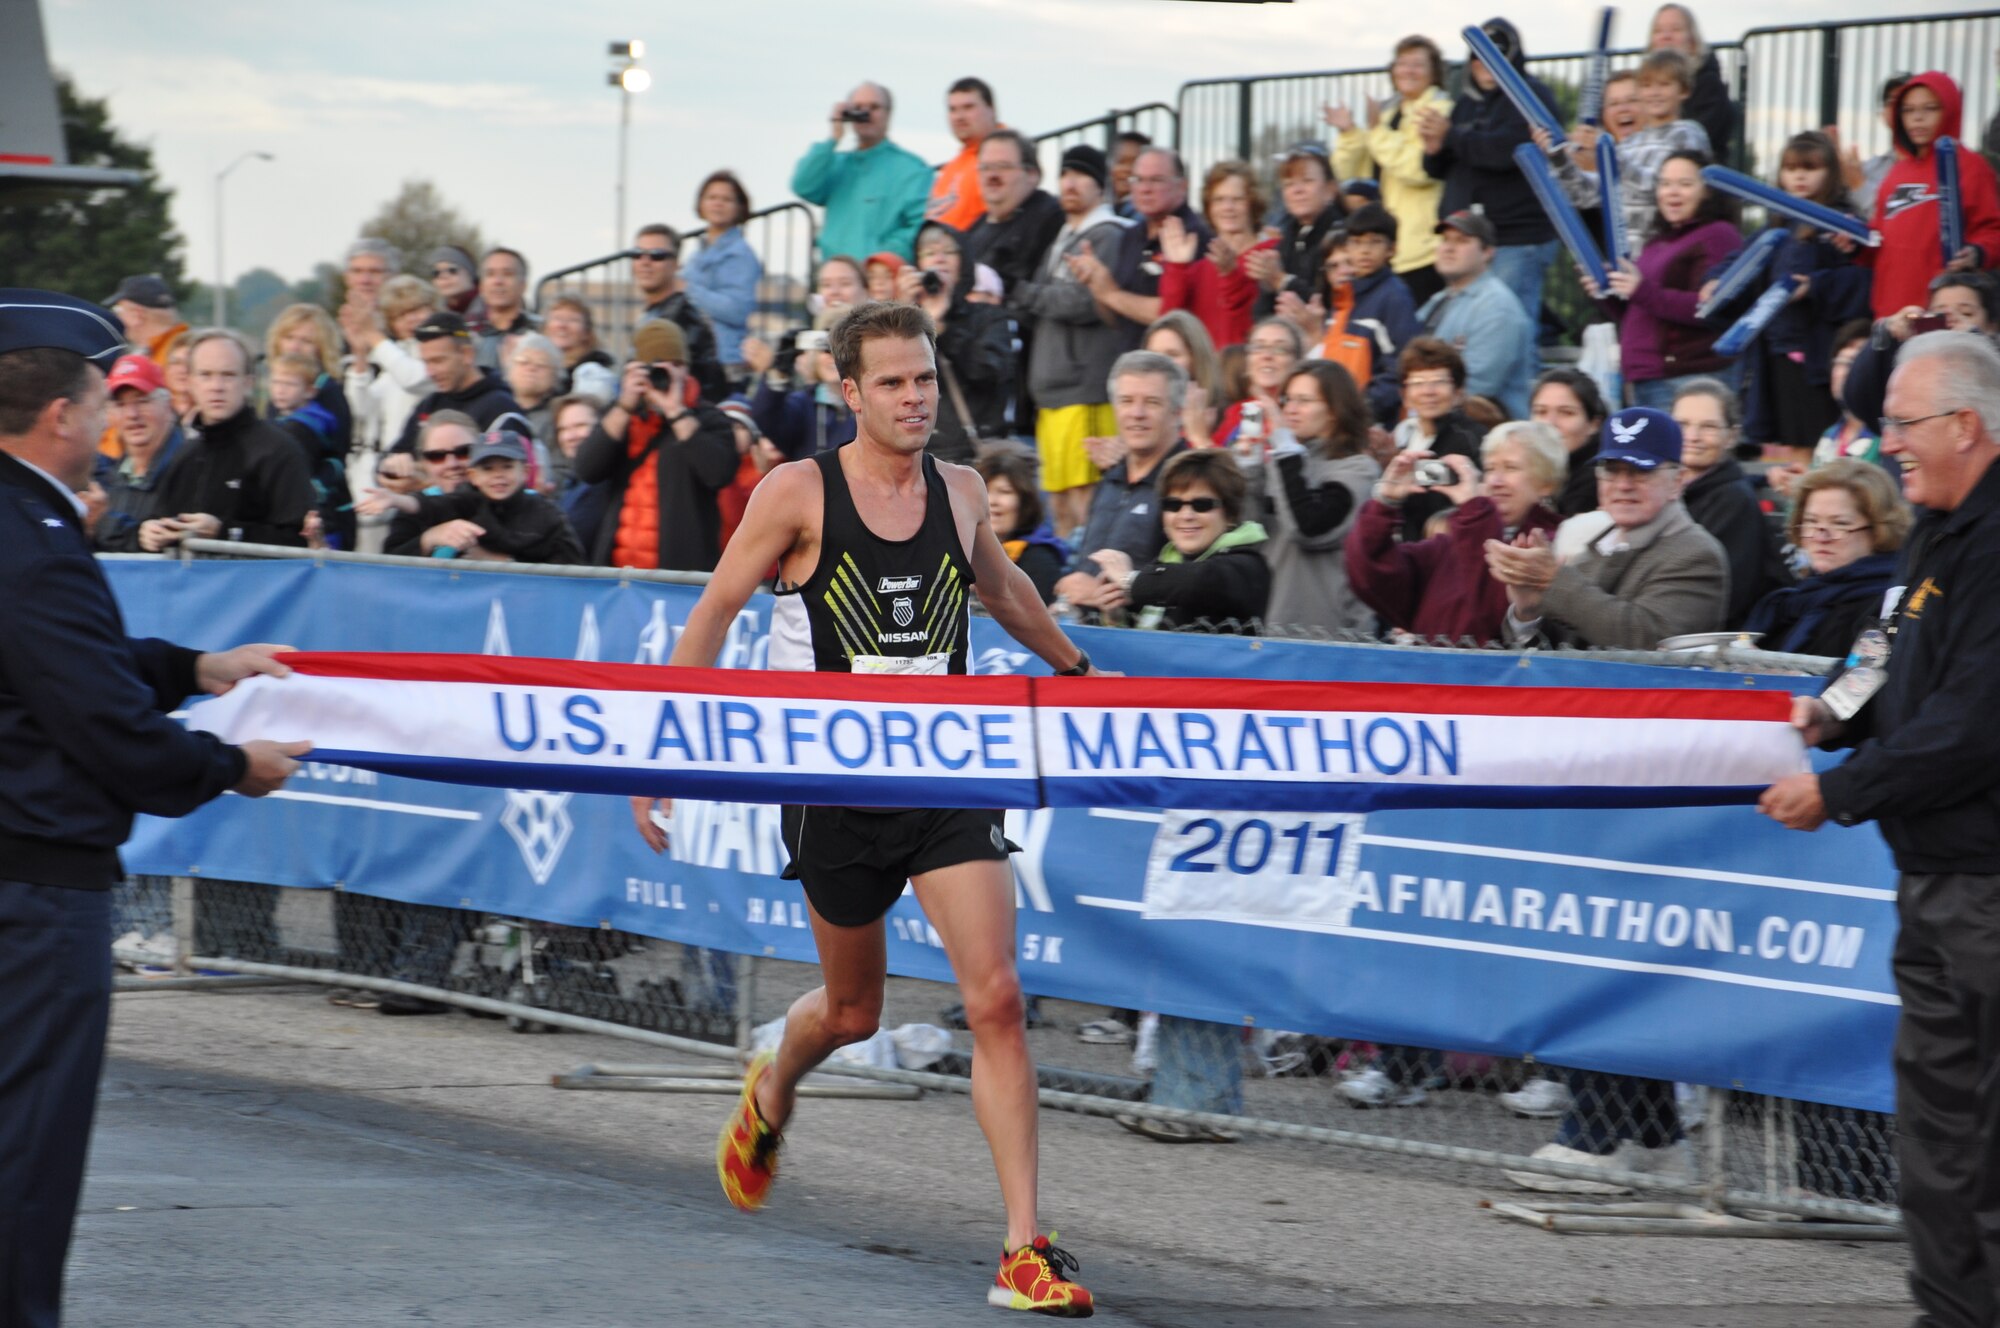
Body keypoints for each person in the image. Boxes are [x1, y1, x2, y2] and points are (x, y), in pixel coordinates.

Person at [629, 299, 1101, 1316]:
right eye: (891, 382)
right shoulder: (796, 492)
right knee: (851, 1011)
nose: (914, 396)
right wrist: (659, 750)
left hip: (942, 779)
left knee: (996, 996)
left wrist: (1075, 667)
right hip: (832, 787)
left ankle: (1024, 1245)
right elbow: (712, 611)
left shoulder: (964, 489)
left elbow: (1006, 589)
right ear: (848, 393)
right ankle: (773, 1084)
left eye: (923, 377)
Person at [0, 289, 307, 1327]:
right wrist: (231, 765)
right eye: (101, 396)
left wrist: (193, 665)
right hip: (34, 890)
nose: (111, 418)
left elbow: (67, 667)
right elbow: (102, 724)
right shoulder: (32, 535)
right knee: (26, 1155)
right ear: (64, 414)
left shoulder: (21, 519)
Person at [1757, 331, 2000, 1328]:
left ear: (1965, 425)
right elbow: (1884, 646)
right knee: (1938, 1127)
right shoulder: (1935, 532)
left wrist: (1841, 788)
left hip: (1984, 882)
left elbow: (1971, 722)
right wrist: (1825, 710)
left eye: (1899, 423)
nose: (1881, 441)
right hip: (1931, 880)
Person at [1489, 406, 1729, 648]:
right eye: (1611, 470)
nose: (1623, 485)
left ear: (1677, 482)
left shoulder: (1696, 554)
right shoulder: (1596, 544)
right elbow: (1557, 652)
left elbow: (1649, 642)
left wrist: (1553, 580)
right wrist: (1528, 610)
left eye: (1640, 471)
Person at [1705, 132, 1872, 452]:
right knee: (1781, 447)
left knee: (1821, 444)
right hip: (1776, 358)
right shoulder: (1777, 225)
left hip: (1819, 361)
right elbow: (1739, 260)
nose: (1799, 175)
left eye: (1810, 167)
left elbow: (1862, 278)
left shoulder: (1842, 223)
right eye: (1791, 167)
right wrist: (1714, 281)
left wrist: (1814, 286)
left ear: (1831, 174)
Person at [1007, 144, 1132, 538]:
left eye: (1081, 175)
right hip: (1053, 400)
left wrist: (1020, 292)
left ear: (1101, 187)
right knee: (1059, 508)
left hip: (1087, 395)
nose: (1070, 183)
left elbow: (1085, 301)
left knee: (1087, 505)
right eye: (1065, 174)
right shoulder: (1064, 236)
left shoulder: (1110, 235)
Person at [1349, 420, 1567, 643]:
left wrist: (1474, 511)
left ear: (1546, 484)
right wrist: (1384, 503)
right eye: (1490, 468)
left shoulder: (1555, 545)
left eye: (1511, 468)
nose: (1495, 481)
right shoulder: (1452, 542)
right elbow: (1370, 577)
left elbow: (1492, 615)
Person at [1419, 19, 1560, 330]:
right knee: (1471, 331)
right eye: (1478, 56)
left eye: (1495, 56)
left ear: (1512, 59)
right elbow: (1440, 169)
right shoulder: (1466, 104)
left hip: (1516, 239)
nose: (1484, 65)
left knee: (1510, 330)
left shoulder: (1532, 96)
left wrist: (1451, 136)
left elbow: (1507, 151)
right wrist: (1432, 149)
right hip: (1474, 244)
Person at [573, 318, 739, 571]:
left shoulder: (709, 419)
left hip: (678, 579)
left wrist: (675, 410)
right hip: (620, 578)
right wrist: (624, 405)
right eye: (655, 365)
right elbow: (587, 469)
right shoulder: (621, 416)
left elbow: (718, 473)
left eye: (675, 364)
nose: (667, 372)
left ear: (687, 368)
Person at [1580, 151, 1743, 408]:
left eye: (1685, 184)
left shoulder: (1717, 234)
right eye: (1665, 184)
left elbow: (1711, 307)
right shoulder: (1659, 241)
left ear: (1709, 191)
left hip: (1686, 378)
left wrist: (1642, 290)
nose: (1672, 192)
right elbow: (1641, 311)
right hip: (1646, 378)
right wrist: (1607, 292)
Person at [137, 329, 316, 552]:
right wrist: (148, 533)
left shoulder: (279, 451)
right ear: (190, 383)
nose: (216, 386)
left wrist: (224, 532)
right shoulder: (185, 455)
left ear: (248, 383)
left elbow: (299, 543)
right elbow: (162, 520)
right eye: (206, 375)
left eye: (228, 375)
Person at [1239, 361, 1379, 635]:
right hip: (1268, 626)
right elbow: (1246, 533)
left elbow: (1308, 527)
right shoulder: (1281, 462)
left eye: (1303, 401)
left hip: (1331, 633)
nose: (1289, 409)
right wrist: (1249, 470)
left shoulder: (1357, 469)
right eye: (1287, 399)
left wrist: (1284, 449)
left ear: (1335, 411)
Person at [1053, 351, 1193, 620]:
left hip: (1150, 644)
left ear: (1177, 411)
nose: (1137, 414)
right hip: (1084, 637)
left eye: (1151, 402)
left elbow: (1191, 582)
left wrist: (1104, 593)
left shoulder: (1191, 484)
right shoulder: (1110, 480)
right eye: (1127, 401)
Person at [1538, 49, 1712, 249]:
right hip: (1628, 260)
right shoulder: (1630, 144)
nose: (1654, 93)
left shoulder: (1687, 133)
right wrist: (1559, 157)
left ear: (1684, 91)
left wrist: (1608, 153)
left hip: (1667, 254)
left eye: (1664, 85)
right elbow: (1586, 196)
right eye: (1646, 86)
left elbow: (1659, 188)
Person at [1861, 72, 2000, 321]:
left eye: (1930, 108)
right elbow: (1878, 241)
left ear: (1950, 111)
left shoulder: (1971, 167)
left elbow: (1993, 229)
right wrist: (1853, 245)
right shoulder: (1897, 172)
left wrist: (1977, 252)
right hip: (1891, 314)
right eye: (1908, 110)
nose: (1917, 117)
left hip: (1942, 311)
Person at [1328, 35, 1453, 305]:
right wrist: (1349, 133)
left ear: (1434, 73)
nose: (1408, 70)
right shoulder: (1388, 114)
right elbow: (1350, 173)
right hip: (1386, 248)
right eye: (1402, 63)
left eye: (1417, 64)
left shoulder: (1439, 110)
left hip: (1423, 249)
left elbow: (1417, 169)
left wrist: (1377, 134)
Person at [1742, 459, 1907, 656]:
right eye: (1811, 522)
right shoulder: (1797, 600)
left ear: (1879, 530)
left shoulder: (1889, 607)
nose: (1821, 537)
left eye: (1840, 524)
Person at [1669, 377, 1792, 626]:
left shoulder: (1734, 500)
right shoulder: (1665, 493)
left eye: (1709, 427)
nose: (1692, 436)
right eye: (1682, 424)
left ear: (1732, 436)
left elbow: (1724, 597)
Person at [360, 430, 584, 565]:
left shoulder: (547, 514)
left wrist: (500, 562)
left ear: (525, 472)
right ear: (473, 476)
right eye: (488, 469)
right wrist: (395, 500)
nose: (498, 476)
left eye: (507, 467)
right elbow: (431, 506)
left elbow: (572, 570)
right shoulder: (467, 501)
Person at [1071, 146, 1214, 341]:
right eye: (1137, 180)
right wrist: (1097, 284)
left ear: (1182, 186)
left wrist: (1111, 294)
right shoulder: (1131, 236)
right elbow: (1117, 319)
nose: (1145, 189)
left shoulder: (1195, 237)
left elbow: (1172, 315)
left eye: (1156, 180)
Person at [900, 221, 1011, 463]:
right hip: (918, 456)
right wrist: (902, 311)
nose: (939, 259)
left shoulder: (988, 316)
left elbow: (989, 373)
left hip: (974, 457)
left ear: (964, 263)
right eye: (929, 253)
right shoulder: (904, 319)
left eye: (948, 252)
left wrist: (942, 329)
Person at [1844, 271, 2000, 435]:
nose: (1951, 321)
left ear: (1992, 325)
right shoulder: (1912, 368)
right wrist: (1886, 336)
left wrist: (1974, 338)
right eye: (1939, 314)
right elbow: (1861, 400)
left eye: (1966, 313)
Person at [1414, 210, 1536, 420]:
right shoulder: (1440, 299)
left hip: (1488, 436)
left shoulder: (1496, 306)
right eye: (1445, 240)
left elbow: (1477, 388)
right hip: (1440, 423)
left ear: (1487, 252)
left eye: (1462, 241)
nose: (1449, 248)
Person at [792, 81, 932, 263]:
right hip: (837, 279)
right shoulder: (835, 164)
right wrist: (833, 137)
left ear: (888, 114)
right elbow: (802, 185)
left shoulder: (911, 169)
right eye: (857, 108)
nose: (865, 114)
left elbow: (922, 225)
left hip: (883, 283)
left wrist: (884, 256)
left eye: (874, 107)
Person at [1391, 335, 1490, 542]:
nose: (1429, 391)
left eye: (1439, 381)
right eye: (1418, 382)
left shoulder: (1471, 440)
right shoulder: (1406, 440)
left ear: (1458, 392)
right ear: (1404, 394)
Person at [1157, 159, 1264, 350]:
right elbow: (1170, 323)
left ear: (1253, 203)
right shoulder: (1199, 269)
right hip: (1206, 374)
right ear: (1209, 207)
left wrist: (1232, 274)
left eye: (1237, 199)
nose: (1228, 207)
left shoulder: (1268, 256)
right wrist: (1177, 267)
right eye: (1219, 199)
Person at [392, 310, 531, 452]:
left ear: (467, 354)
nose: (430, 372)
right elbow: (393, 456)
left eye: (438, 361)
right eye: (426, 363)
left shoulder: (501, 408)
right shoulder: (429, 405)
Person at [92, 354, 185, 552]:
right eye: (120, 405)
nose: (132, 414)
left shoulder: (191, 466)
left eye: (142, 401)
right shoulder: (110, 476)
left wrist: (101, 522)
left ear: (168, 404)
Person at [1245, 146, 1345, 321]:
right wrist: (1268, 285)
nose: (1297, 190)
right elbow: (1262, 315)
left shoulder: (1343, 238)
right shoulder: (1286, 241)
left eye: (1307, 181)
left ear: (1330, 189)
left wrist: (1282, 281)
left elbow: (1332, 306)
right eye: (1288, 184)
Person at [631, 224, 729, 402]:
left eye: (657, 255)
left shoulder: (684, 318)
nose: (645, 262)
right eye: (637, 254)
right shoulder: (653, 314)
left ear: (676, 264)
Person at [961, 129, 1064, 299]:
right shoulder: (974, 229)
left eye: (1003, 166)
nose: (992, 175)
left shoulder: (1050, 218)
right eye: (985, 168)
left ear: (1032, 174)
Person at [684, 170, 764, 374]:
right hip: (695, 356)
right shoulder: (696, 254)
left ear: (739, 208)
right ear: (701, 204)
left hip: (724, 361)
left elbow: (736, 310)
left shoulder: (741, 254)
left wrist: (689, 290)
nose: (718, 203)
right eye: (712, 197)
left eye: (726, 199)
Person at [746, 318, 856, 458]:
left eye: (844, 348)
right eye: (826, 349)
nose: (834, 357)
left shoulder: (872, 403)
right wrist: (778, 370)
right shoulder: (804, 404)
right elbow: (767, 418)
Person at [378, 411, 479, 557]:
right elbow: (388, 565)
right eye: (436, 456)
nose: (452, 463)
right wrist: (429, 538)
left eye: (464, 452)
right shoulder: (413, 506)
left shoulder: (503, 498)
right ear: (423, 463)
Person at [1647, 3, 1737, 163]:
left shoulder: (1709, 86)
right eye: (1658, 31)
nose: (1666, 36)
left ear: (1692, 41)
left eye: (1675, 30)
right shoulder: (1640, 88)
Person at [975, 450, 1066, 603]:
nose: (992, 501)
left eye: (1004, 492)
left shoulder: (1039, 560)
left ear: (1024, 502)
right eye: (984, 491)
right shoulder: (957, 551)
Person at [1530, 367, 1611, 517]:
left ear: (1594, 424)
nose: (1550, 423)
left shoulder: (1597, 479)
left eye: (1566, 413)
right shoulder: (1525, 468)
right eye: (1541, 412)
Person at [1143, 311, 1223, 450]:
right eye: (1153, 356)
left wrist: (1199, 439)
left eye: (1172, 355)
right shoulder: (1138, 413)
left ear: (1196, 359)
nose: (1162, 364)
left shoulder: (1223, 414)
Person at [930, 77, 1000, 232]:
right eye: (952, 109)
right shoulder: (952, 166)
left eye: (968, 107)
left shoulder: (1005, 157)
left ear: (992, 109)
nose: (959, 117)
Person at [539, 294, 618, 405]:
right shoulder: (537, 367)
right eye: (557, 318)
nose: (562, 325)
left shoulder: (594, 373)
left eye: (573, 320)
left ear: (586, 332)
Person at [105, 273, 188, 369]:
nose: (117, 316)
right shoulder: (191, 349)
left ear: (137, 315)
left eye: (118, 309)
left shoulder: (166, 361)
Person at [505, 331, 564, 445]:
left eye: (541, 364)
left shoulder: (559, 417)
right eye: (523, 362)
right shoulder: (496, 408)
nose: (531, 368)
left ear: (555, 374)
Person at [428, 245, 479, 317]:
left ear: (470, 274)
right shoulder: (433, 316)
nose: (443, 276)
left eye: (452, 270)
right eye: (436, 272)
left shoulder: (491, 308)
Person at [1110, 130, 1151, 217]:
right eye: (1121, 162)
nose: (1126, 169)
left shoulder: (1146, 216)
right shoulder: (1104, 210)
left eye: (1134, 163)